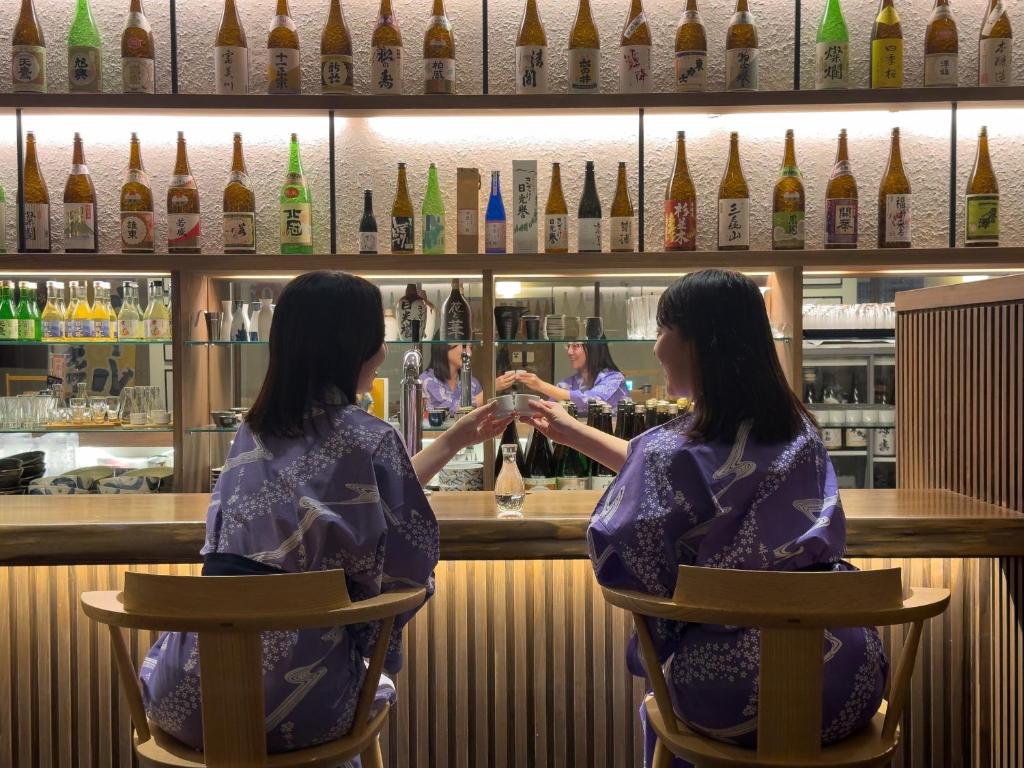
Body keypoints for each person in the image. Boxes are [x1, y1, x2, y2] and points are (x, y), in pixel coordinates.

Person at [521, 269, 887, 767]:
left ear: (701, 343)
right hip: (848, 680)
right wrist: (575, 434)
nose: (655, 348)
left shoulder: (670, 452)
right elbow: (692, 473)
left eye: (663, 330)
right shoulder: (800, 432)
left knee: (667, 671)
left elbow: (631, 561)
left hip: (734, 697)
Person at [140, 272, 508, 755]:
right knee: (365, 659)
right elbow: (406, 573)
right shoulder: (371, 437)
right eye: (377, 340)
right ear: (351, 349)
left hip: (188, 694)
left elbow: (228, 537)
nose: (382, 353)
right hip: (303, 705)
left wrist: (454, 439)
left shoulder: (250, 433)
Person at [499, 339, 628, 414]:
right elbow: (549, 410)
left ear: (594, 348)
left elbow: (591, 400)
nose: (569, 351)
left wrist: (540, 385)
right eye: (568, 346)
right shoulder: (566, 384)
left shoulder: (614, 378)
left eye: (576, 346)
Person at [420, 336, 483, 415]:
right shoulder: (427, 380)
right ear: (445, 346)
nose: (469, 353)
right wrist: (488, 392)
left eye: (470, 347)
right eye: (464, 346)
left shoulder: (473, 383)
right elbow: (449, 410)